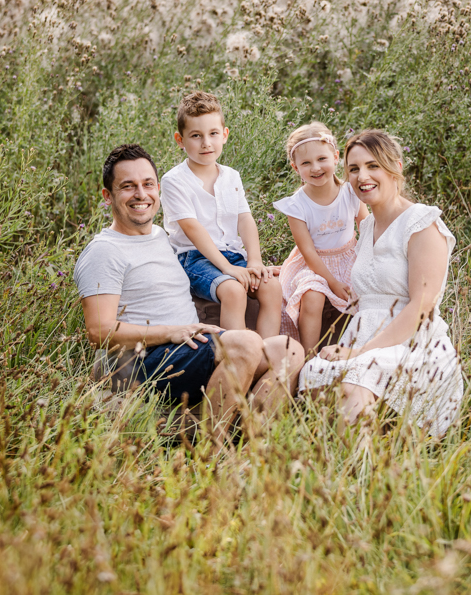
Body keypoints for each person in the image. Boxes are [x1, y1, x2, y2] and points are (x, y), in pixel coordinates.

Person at [75, 144, 304, 438]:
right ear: (108, 196)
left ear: (158, 188)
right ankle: (214, 449)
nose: (141, 194)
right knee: (246, 343)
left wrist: (253, 270)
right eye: (127, 187)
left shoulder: (161, 237)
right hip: (151, 360)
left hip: (191, 348)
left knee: (290, 350)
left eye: (147, 184)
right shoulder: (104, 251)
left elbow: (202, 268)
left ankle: (250, 444)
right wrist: (170, 332)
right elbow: (98, 330)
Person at [299, 130, 463, 437]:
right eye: (354, 169)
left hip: (414, 343)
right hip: (361, 339)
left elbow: (422, 307)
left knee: (355, 377)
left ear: (396, 168)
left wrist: (361, 352)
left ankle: (358, 478)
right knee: (313, 374)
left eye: (373, 166)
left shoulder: (421, 223)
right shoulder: (368, 225)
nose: (363, 176)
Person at [160, 91, 282, 338]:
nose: (206, 143)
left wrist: (254, 260)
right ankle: (237, 355)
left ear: (224, 135)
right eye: (196, 136)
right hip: (193, 258)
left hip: (233, 253)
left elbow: (245, 219)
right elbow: (193, 230)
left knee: (272, 287)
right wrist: (227, 268)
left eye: (213, 134)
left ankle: (268, 352)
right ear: (180, 139)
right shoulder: (174, 181)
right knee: (234, 291)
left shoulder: (231, 176)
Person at [273, 122, 368, 356]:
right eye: (306, 163)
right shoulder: (297, 206)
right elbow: (308, 252)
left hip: (349, 257)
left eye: (322, 159)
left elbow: (365, 229)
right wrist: (332, 282)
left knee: (366, 290)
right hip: (312, 266)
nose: (315, 168)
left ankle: (359, 349)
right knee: (312, 295)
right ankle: (308, 356)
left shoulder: (350, 193)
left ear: (336, 157)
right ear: (296, 168)